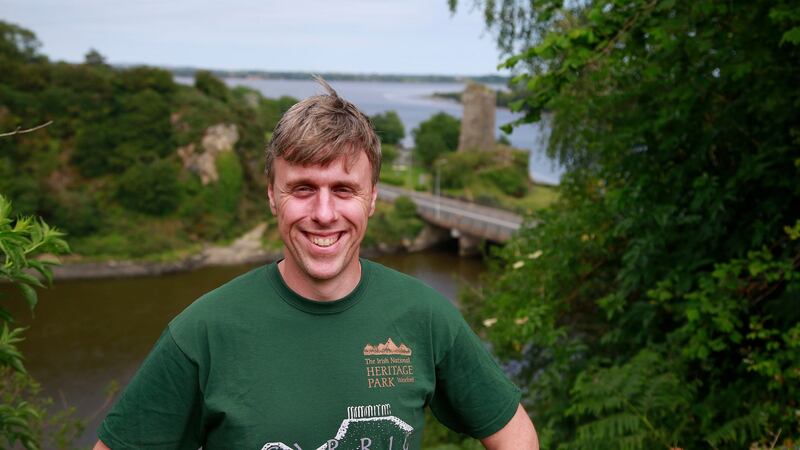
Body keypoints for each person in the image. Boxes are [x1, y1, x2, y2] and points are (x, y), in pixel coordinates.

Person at [94, 77, 538, 450]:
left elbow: (516, 434)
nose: (324, 213)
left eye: (344, 190)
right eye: (303, 188)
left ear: (373, 198)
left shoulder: (424, 316)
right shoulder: (203, 332)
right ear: (272, 196)